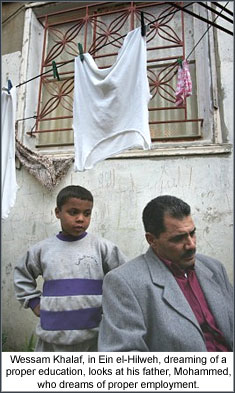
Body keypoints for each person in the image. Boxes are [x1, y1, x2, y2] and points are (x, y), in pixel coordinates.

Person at [98, 195, 233, 352]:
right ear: (151, 240)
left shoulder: (214, 268)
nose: (191, 245)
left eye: (192, 233)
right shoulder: (124, 282)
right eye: (178, 238)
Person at [14, 185, 126, 352]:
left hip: (93, 335)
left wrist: (114, 307)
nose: (80, 218)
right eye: (73, 212)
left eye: (87, 214)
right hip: (52, 335)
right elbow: (22, 275)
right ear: (57, 212)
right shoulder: (43, 249)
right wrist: (33, 302)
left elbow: (124, 278)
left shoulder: (103, 247)